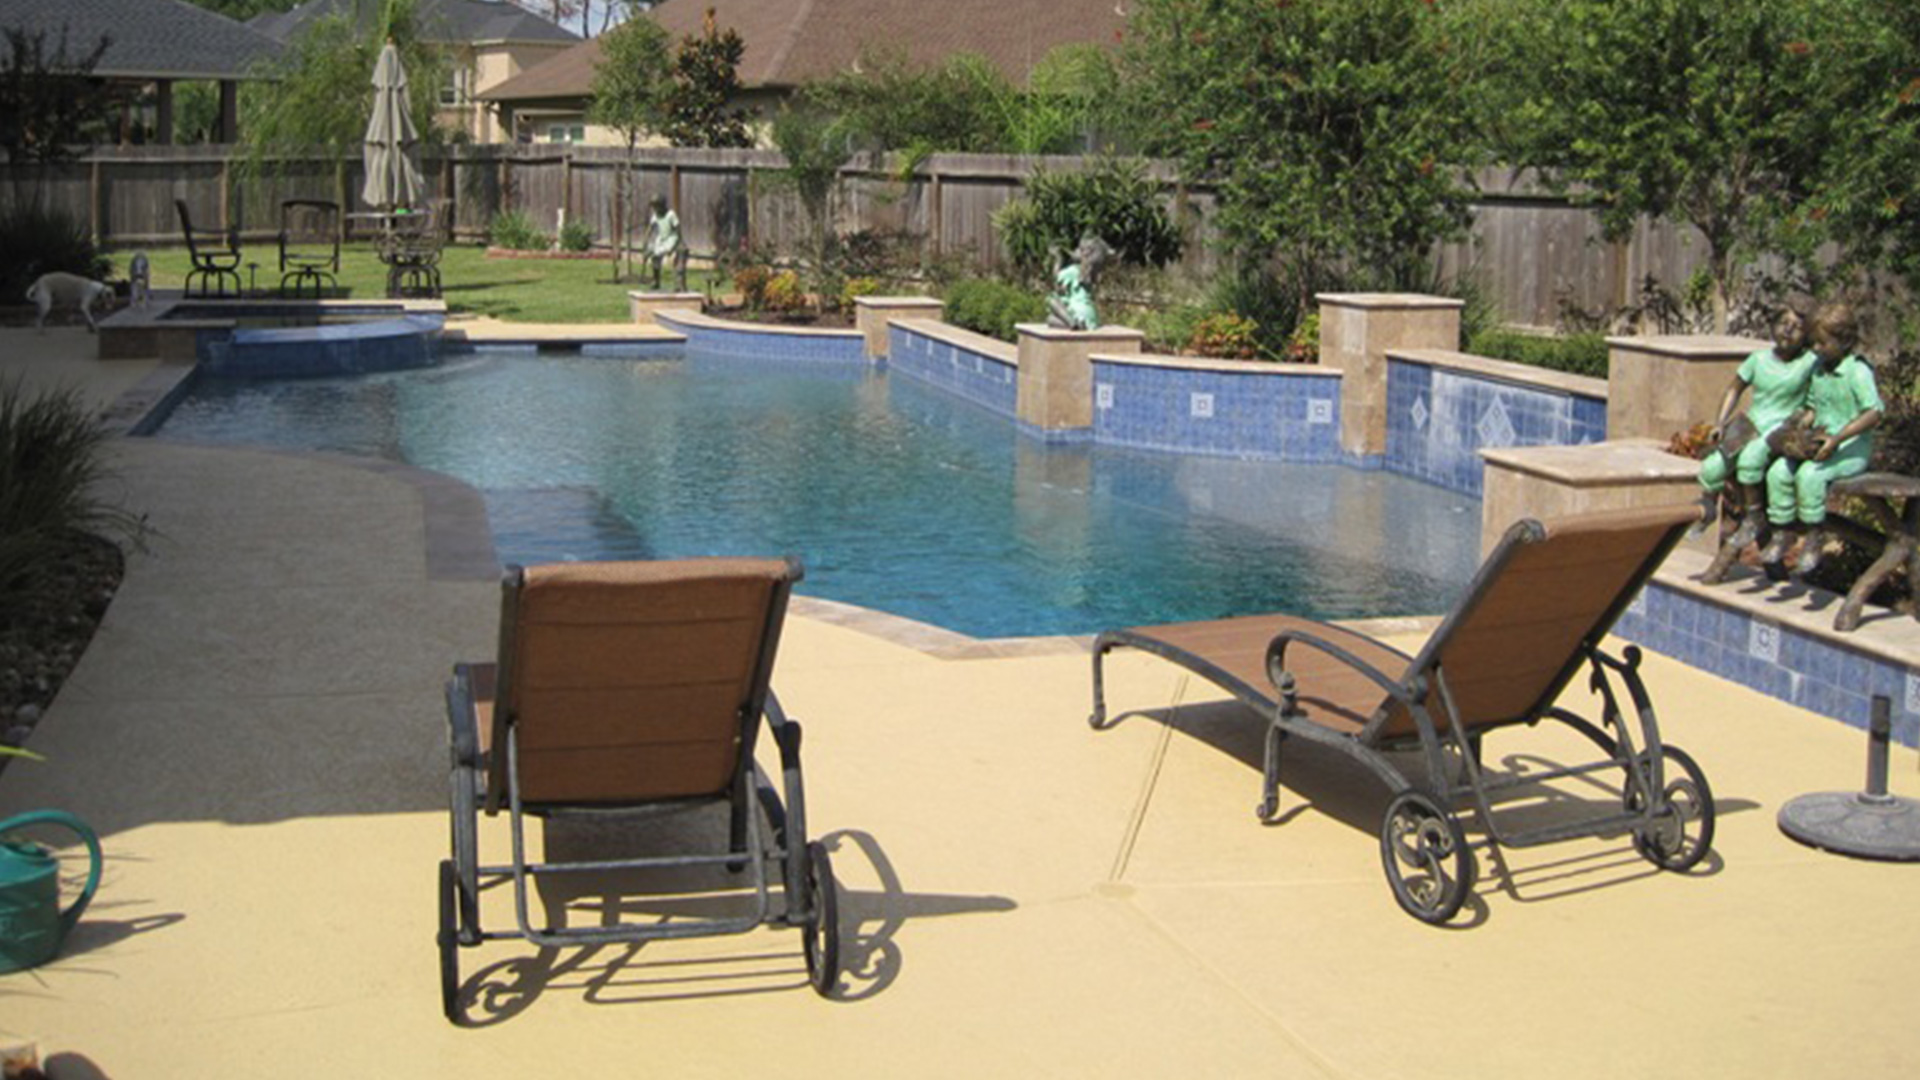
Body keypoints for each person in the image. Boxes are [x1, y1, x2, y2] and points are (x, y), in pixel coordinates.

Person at [1759, 302, 1883, 576]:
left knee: (1809, 477)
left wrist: (1837, 439)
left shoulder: (1857, 371)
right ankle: (1782, 533)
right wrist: (1798, 425)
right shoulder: (1819, 368)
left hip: (1851, 447)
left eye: (1822, 343)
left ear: (1845, 340)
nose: (1815, 349)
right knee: (1778, 472)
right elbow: (1813, 408)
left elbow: (1873, 413)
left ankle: (1814, 537)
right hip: (1820, 441)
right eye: (1813, 342)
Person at [1693, 308, 1814, 561]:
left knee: (1750, 460)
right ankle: (1707, 508)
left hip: (1781, 427)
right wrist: (1721, 422)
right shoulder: (1757, 360)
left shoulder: (1809, 363)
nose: (1788, 330)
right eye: (1783, 322)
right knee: (1711, 467)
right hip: (1751, 422)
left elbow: (1819, 398)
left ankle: (1754, 516)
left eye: (1797, 326)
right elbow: (1733, 389)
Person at [1045, 234, 1110, 331]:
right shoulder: (1091, 275)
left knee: (1051, 301)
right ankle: (1076, 323)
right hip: (1091, 316)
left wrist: (1058, 258)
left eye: (1079, 249)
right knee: (1051, 319)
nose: (1075, 250)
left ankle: (1072, 323)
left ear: (1085, 254)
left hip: (1078, 313)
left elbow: (1056, 278)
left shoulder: (1074, 271)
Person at [643, 195, 687, 291]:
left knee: (665, 255)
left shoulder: (670, 214)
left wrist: (680, 241)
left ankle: (679, 285)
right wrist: (646, 240)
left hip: (672, 237)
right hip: (662, 238)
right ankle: (656, 281)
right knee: (654, 257)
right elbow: (650, 228)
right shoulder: (655, 215)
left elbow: (677, 228)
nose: (654, 209)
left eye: (656, 207)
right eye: (653, 207)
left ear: (662, 206)